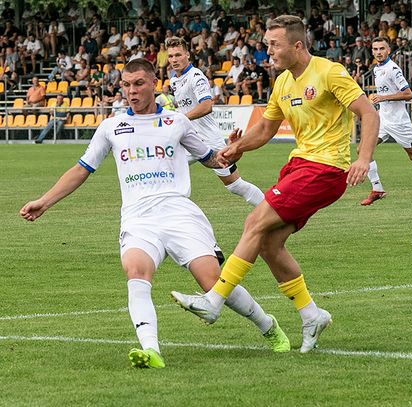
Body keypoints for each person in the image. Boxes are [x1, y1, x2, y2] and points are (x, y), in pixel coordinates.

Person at [20, 59, 290, 370]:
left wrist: (232, 153)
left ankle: (268, 326)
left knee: (211, 281)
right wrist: (45, 201)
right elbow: (82, 170)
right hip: (137, 217)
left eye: (138, 84)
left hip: (178, 212)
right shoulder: (111, 127)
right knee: (136, 274)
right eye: (126, 85)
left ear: (154, 83)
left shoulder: (177, 122)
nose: (131, 91)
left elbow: (210, 159)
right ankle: (151, 350)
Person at [171, 15, 379, 353]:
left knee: (254, 222)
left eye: (274, 45)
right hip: (298, 166)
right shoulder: (282, 82)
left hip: (325, 169)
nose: (268, 51)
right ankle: (311, 314)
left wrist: (363, 157)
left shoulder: (330, 72)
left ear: (297, 46)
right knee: (268, 244)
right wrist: (237, 146)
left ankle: (214, 300)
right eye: (267, 44)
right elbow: (266, 129)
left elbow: (368, 113)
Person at [166, 37, 264, 206]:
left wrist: (181, 118)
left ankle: (269, 209)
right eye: (171, 56)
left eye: (178, 55)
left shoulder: (196, 76)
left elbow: (206, 106)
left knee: (235, 185)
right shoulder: (174, 79)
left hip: (209, 140)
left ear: (187, 55)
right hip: (187, 139)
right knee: (166, 170)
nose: (174, 60)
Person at [361, 37, 412, 206]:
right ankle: (377, 189)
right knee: (363, 149)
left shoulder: (393, 69)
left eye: (382, 49)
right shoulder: (376, 69)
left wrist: (382, 97)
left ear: (388, 50)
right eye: (375, 49)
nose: (378, 52)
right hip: (383, 120)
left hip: (399, 122)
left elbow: (408, 94)